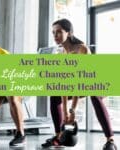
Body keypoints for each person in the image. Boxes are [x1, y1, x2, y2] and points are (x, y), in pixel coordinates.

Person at [41, 19, 117, 150]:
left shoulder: (82, 49)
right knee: (54, 94)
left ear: (69, 33)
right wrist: (65, 113)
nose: (55, 36)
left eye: (59, 32)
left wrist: (72, 110)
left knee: (94, 94)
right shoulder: (61, 55)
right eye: (53, 33)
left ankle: (110, 140)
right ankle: (59, 136)